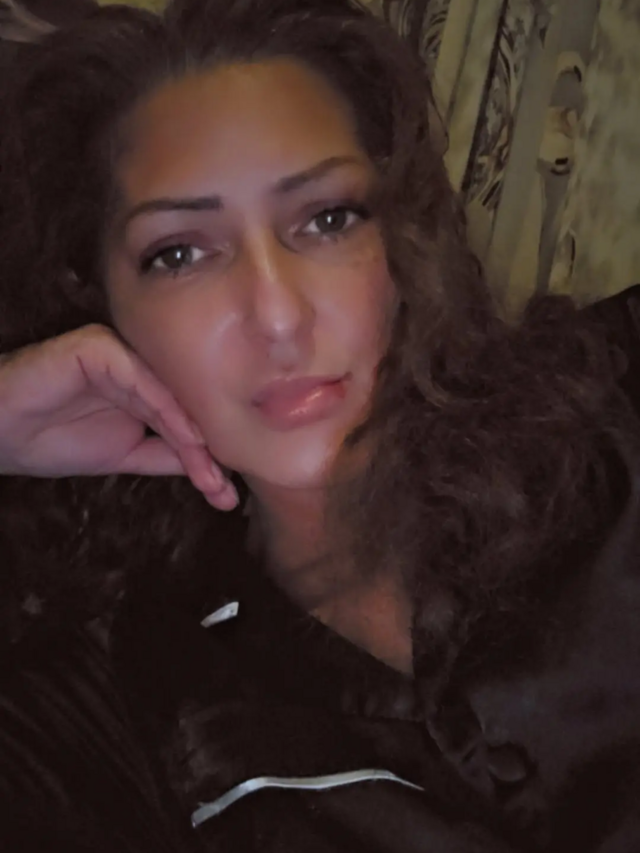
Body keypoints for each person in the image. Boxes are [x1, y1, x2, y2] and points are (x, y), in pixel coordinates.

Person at [1, 0, 639, 850]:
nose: (278, 316)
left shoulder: (614, 401)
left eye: (329, 219)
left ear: (401, 237)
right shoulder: (120, 702)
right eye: (179, 253)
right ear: (101, 305)